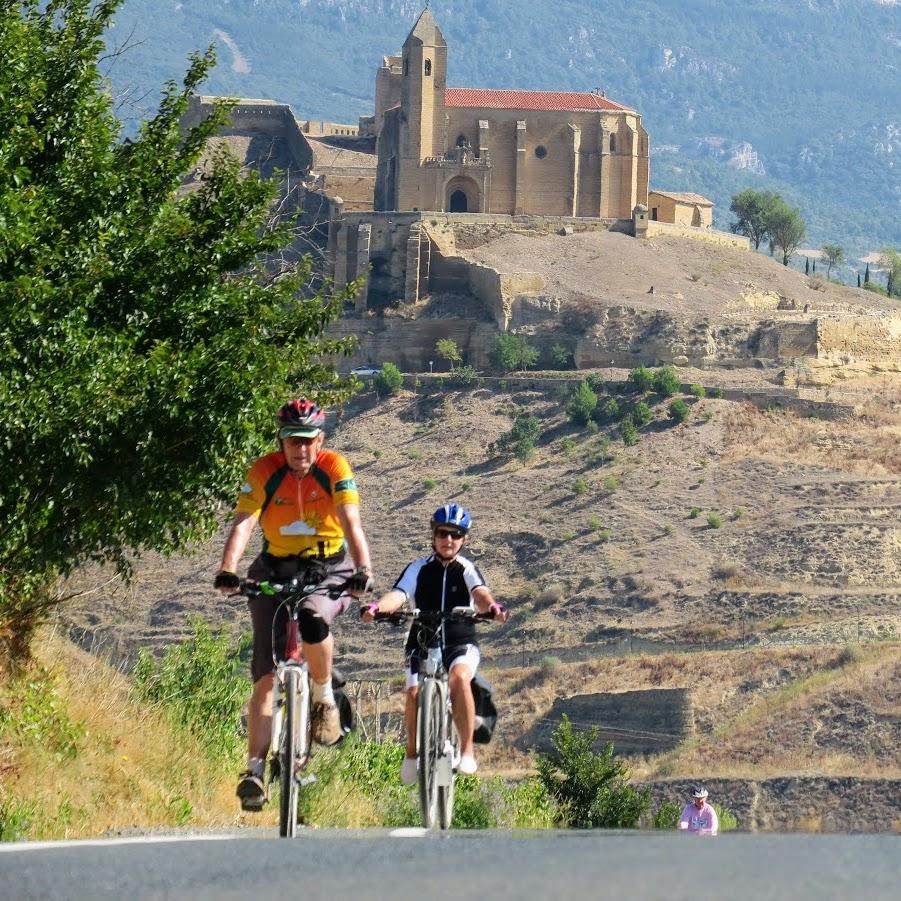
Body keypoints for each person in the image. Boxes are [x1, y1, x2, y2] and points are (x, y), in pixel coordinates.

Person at [214, 399, 373, 810]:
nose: (300, 451)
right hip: (274, 567)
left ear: (320, 440)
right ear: (280, 441)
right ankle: (253, 771)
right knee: (265, 675)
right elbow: (245, 522)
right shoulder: (265, 471)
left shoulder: (334, 468)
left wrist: (364, 570)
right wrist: (229, 569)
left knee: (312, 618)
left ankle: (323, 696)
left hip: (329, 567)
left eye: (307, 442)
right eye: (292, 442)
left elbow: (351, 522)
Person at [361, 504, 509, 783]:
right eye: (443, 533)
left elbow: (480, 594)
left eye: (455, 534)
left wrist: (492, 608)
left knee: (459, 679)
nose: (448, 539)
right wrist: (377, 608)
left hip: (460, 639)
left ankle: (466, 751)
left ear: (463, 539)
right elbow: (399, 594)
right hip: (421, 637)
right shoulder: (418, 567)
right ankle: (411, 754)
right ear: (433, 536)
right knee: (414, 693)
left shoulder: (467, 569)